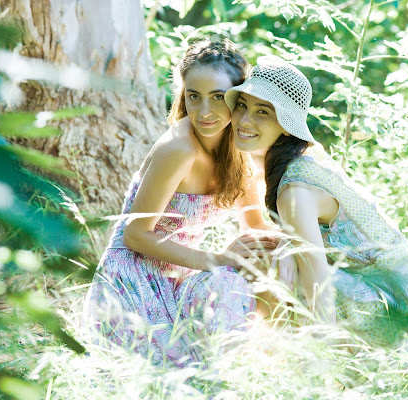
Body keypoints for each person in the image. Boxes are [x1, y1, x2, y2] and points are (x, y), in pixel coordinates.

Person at [224, 58, 408, 346]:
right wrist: (287, 247)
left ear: (287, 126)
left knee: (264, 262)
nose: (244, 120)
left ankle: (300, 363)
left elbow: (319, 287)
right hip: (382, 297)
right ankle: (280, 354)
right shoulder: (297, 159)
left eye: (263, 112)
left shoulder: (294, 189)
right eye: (242, 105)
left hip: (401, 317)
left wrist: (322, 370)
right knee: (273, 252)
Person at [83, 39, 276, 367]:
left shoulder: (238, 149)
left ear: (238, 98)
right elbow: (135, 234)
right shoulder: (179, 149)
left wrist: (305, 251)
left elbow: (256, 229)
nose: (204, 112)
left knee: (266, 271)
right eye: (193, 96)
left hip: (181, 276)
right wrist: (217, 259)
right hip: (132, 284)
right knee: (225, 282)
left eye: (217, 98)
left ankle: (282, 358)